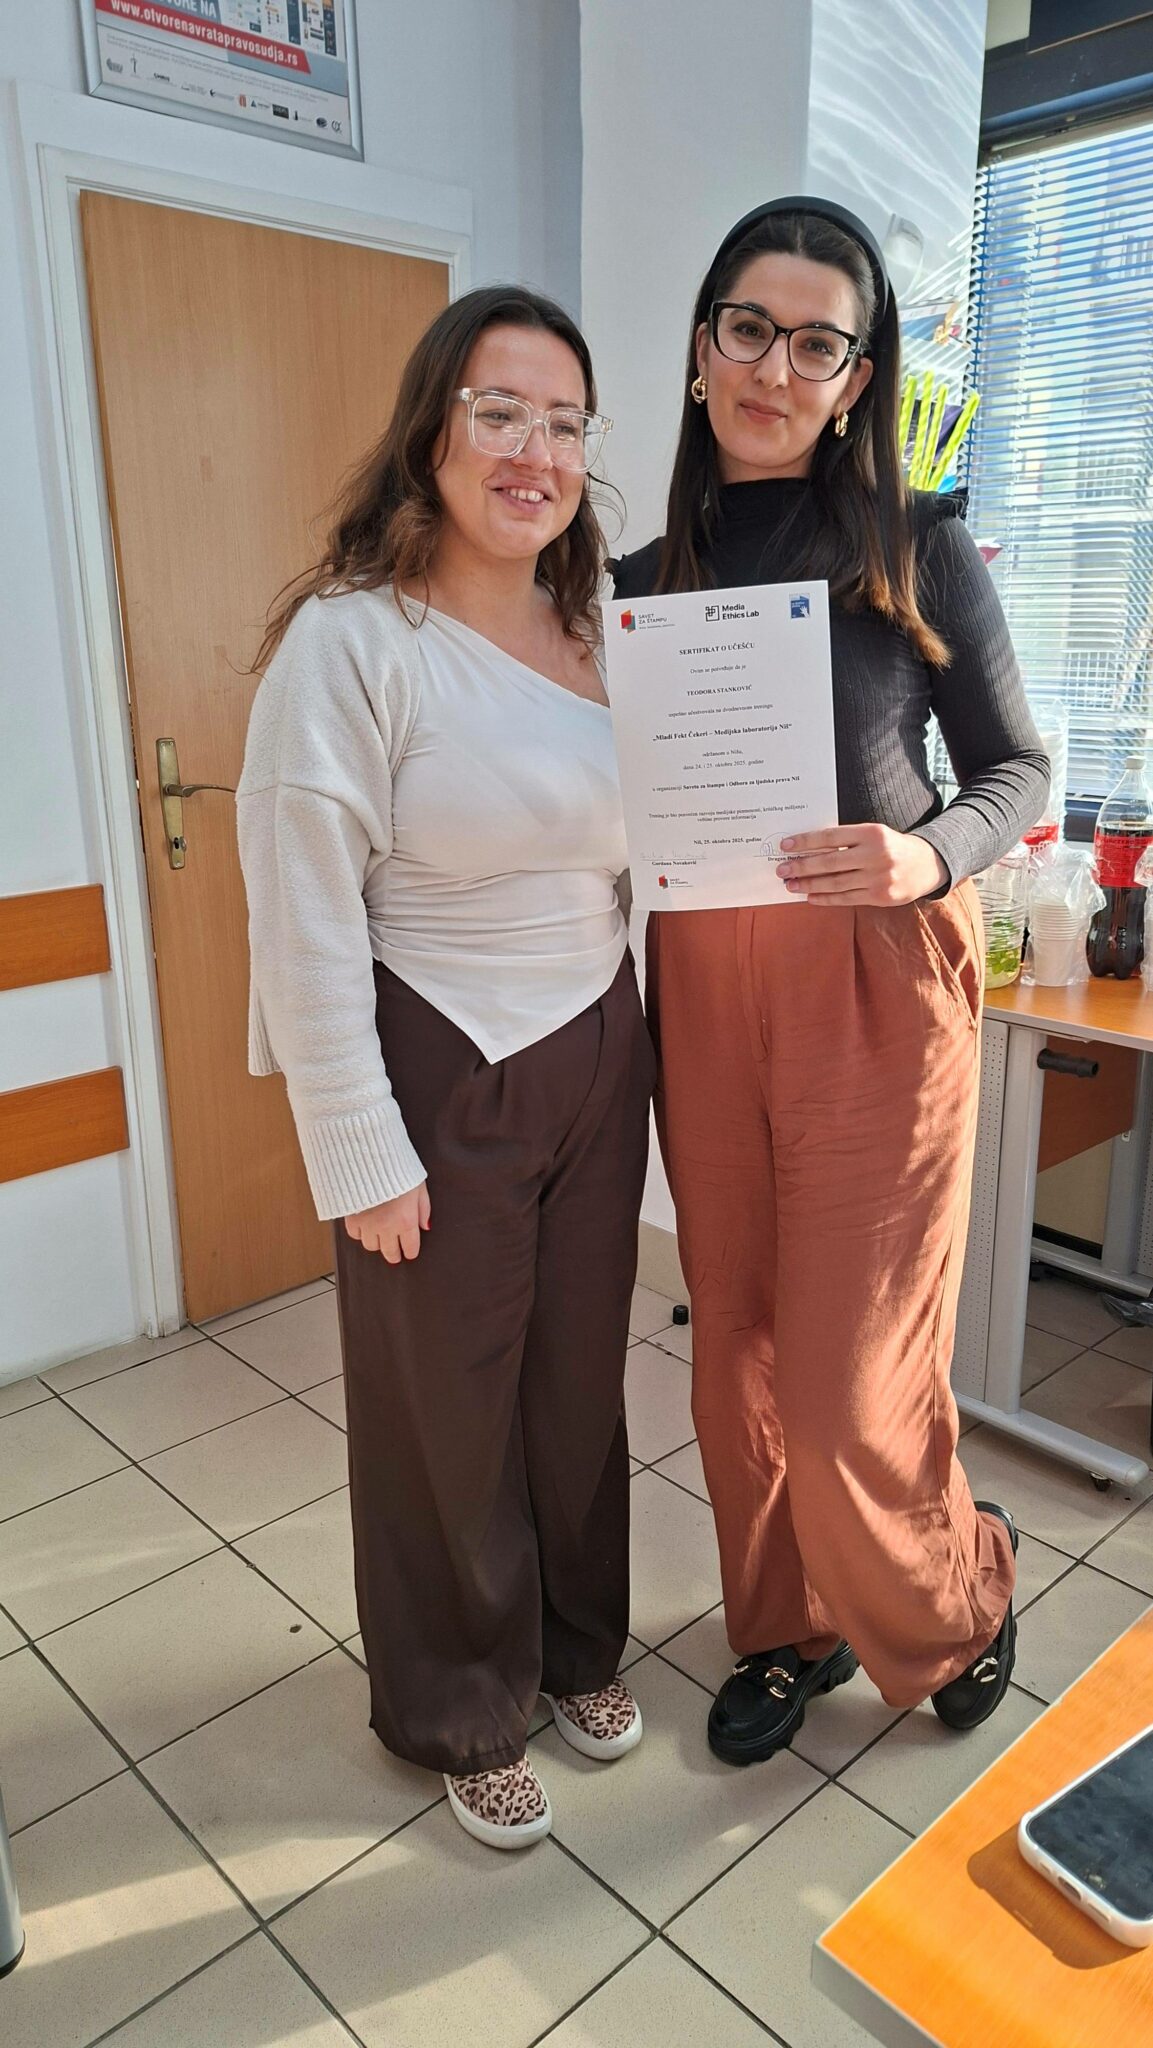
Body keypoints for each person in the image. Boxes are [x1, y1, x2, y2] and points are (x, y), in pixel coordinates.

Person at [612, 198, 1050, 1765]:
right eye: (748, 329)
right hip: (702, 982)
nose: (773, 369)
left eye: (816, 345)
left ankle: (956, 1593)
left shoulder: (915, 544)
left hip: (875, 977)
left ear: (856, 377)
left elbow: (1017, 770)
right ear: (700, 347)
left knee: (852, 1372)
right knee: (732, 1343)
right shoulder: (633, 580)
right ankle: (786, 1626)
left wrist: (922, 857)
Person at [238, 285, 652, 1848]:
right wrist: (359, 1148)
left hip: (596, 1046)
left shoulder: (599, 635)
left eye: (564, 423)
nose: (534, 452)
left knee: (576, 1382)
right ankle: (459, 1704)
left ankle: (574, 1648)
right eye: (500, 413)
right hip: (437, 1052)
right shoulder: (355, 642)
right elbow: (302, 907)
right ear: (431, 433)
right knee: (443, 1406)